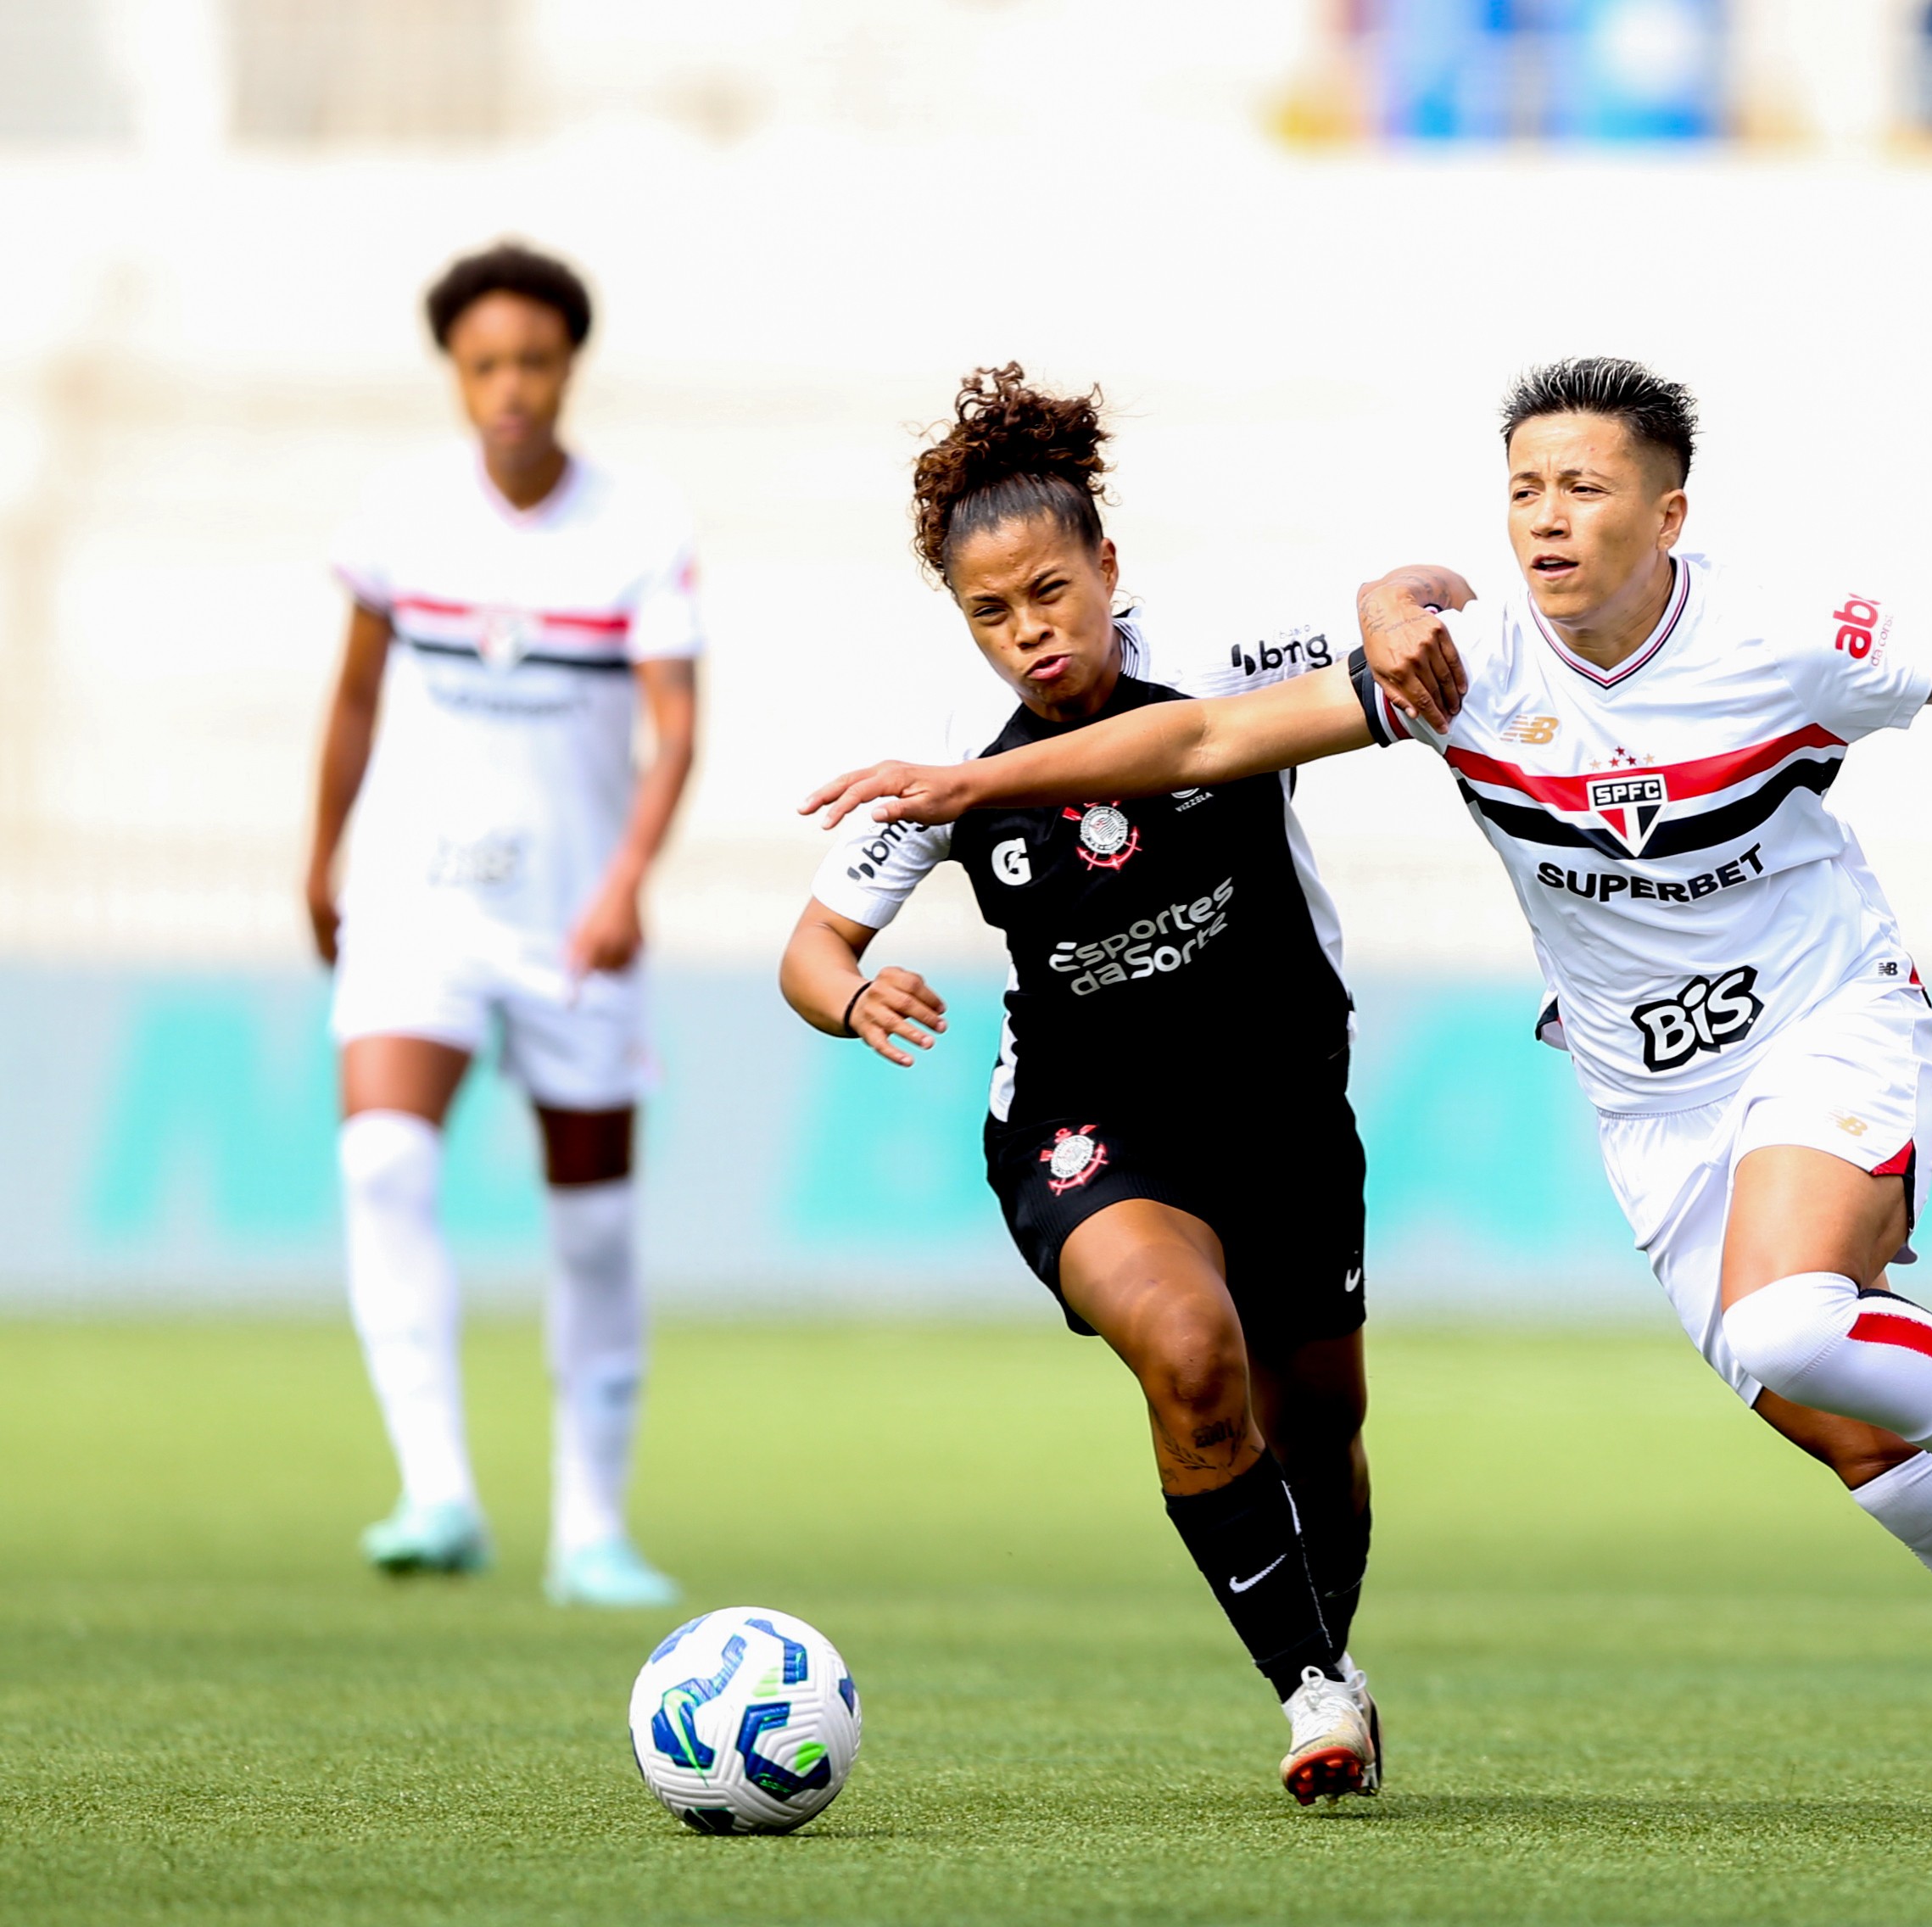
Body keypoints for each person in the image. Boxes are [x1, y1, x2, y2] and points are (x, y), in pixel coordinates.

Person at [803, 358, 1932, 1831]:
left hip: (1828, 1029)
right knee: (1868, 1454)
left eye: (1585, 489)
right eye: (1524, 491)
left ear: (1668, 514)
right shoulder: (1471, 673)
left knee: (1786, 1318)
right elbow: (1209, 736)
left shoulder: (1784, 638)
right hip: (1652, 1110)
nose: (1548, 518)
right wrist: (969, 787)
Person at [778, 366, 1451, 1807]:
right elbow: (813, 943)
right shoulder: (952, 762)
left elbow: (1385, 610)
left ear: (1109, 569)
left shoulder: (1217, 656)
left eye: (1050, 593)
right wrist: (849, 992)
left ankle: (1328, 1650)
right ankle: (1312, 1692)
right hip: (1089, 1124)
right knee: (1193, 1359)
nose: (1028, 632)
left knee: (1320, 1422)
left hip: (1282, 1103)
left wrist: (1401, 599)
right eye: (989, 612)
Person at [306, 243, 699, 1609]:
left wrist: (626, 880)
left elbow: (676, 728)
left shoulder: (638, 527)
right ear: (456, 374)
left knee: (590, 1227)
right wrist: (323, 852)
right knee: (381, 1166)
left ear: (568, 366)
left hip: (573, 925)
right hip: (416, 904)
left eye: (534, 360)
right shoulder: (400, 515)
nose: (512, 387)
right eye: (487, 364)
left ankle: (589, 1527)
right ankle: (438, 1490)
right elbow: (354, 699)